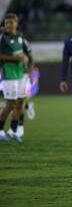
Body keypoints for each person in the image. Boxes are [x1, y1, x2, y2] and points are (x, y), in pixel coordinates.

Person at [0, 13, 29, 142]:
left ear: (16, 24)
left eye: (11, 22)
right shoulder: (2, 38)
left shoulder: (20, 37)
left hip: (21, 73)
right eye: (6, 23)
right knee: (10, 104)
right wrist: (15, 58)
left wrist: (25, 59)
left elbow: (23, 53)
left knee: (20, 103)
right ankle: (0, 130)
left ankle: (13, 131)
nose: (9, 25)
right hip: (9, 74)